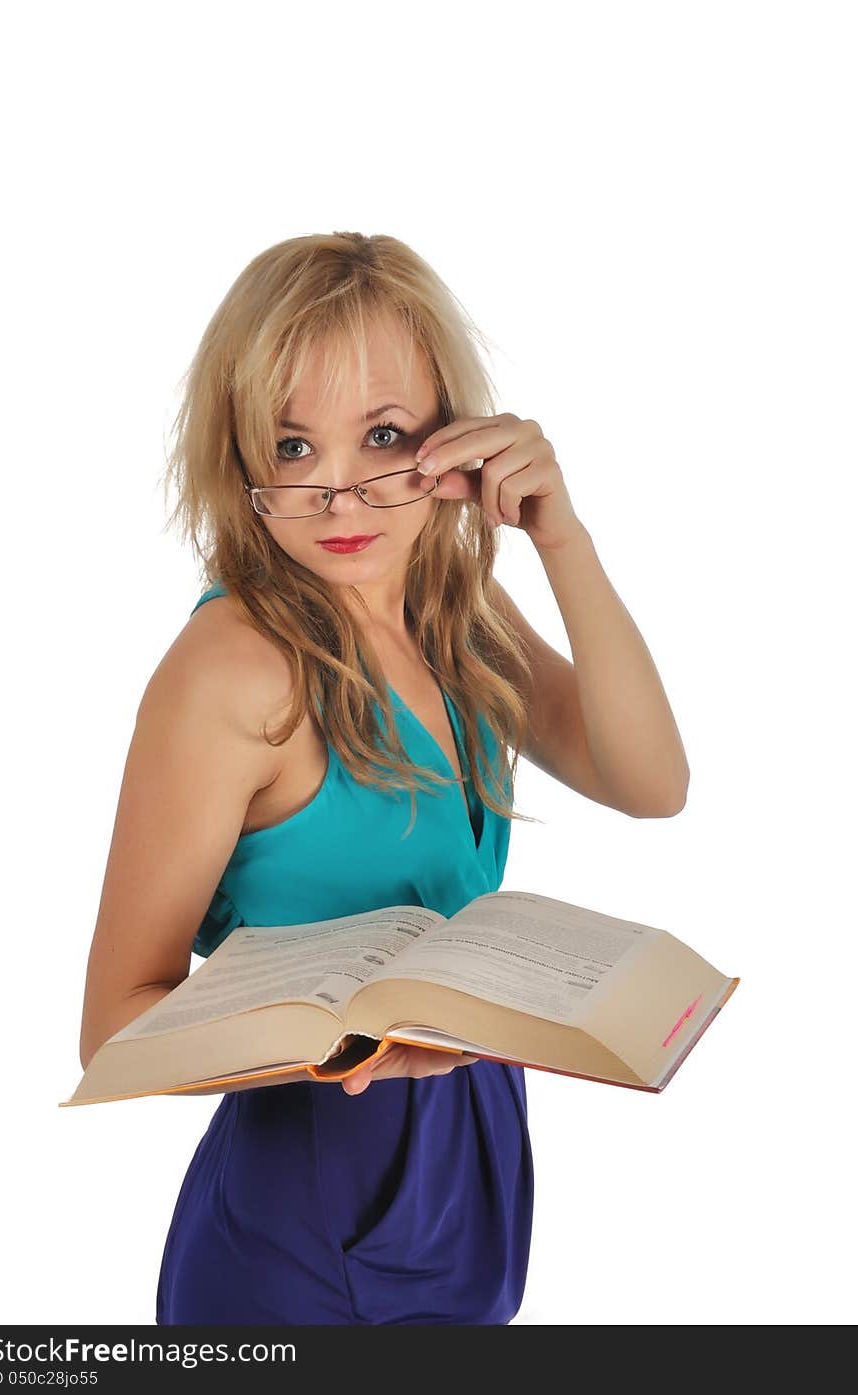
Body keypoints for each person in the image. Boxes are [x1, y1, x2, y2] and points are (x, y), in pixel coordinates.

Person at [78, 231, 690, 1325]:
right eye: (294, 447)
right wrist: (342, 1046)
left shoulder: (455, 611)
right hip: (307, 1192)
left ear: (453, 437)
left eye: (385, 435)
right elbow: (116, 1027)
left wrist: (563, 539)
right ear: (240, 460)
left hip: (473, 1146)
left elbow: (650, 784)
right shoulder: (232, 668)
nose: (342, 495)